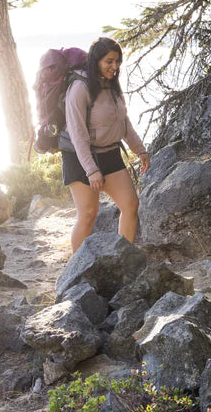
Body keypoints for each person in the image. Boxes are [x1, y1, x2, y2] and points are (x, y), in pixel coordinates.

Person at [62, 37, 150, 252]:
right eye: (109, 61)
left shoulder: (111, 85)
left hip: (110, 153)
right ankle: (77, 271)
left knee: (130, 205)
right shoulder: (79, 88)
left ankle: (123, 260)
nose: (115, 66)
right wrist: (91, 170)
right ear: (96, 61)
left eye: (117, 61)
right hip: (79, 157)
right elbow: (78, 134)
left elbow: (123, 121)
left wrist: (139, 150)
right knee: (88, 214)